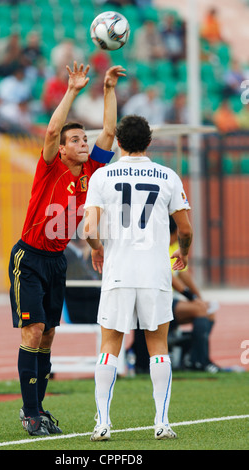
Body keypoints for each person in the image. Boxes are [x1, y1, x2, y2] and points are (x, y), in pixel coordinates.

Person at [8, 61, 126, 437]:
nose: (82, 143)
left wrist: (108, 88)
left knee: (47, 337)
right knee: (34, 330)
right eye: (75, 140)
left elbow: (110, 130)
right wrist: (73, 89)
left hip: (57, 261)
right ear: (61, 149)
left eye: (83, 140)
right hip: (29, 257)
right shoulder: (49, 167)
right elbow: (53, 128)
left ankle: (39, 410)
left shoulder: (92, 172)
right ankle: (29, 413)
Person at [83, 114, 192, 441]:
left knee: (110, 345)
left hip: (117, 270)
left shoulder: (102, 176)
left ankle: (102, 422)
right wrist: (183, 252)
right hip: (155, 273)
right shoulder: (167, 176)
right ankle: (162, 422)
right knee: (157, 345)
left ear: (118, 142)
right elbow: (184, 229)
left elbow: (88, 228)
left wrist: (97, 248)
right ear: (149, 142)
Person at [169, 216, 220, 373]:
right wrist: (191, 298)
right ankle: (197, 361)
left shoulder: (175, 246)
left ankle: (194, 355)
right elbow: (169, 277)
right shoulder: (157, 246)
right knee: (200, 310)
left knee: (208, 312)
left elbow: (183, 275)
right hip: (158, 300)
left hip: (171, 300)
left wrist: (199, 298)